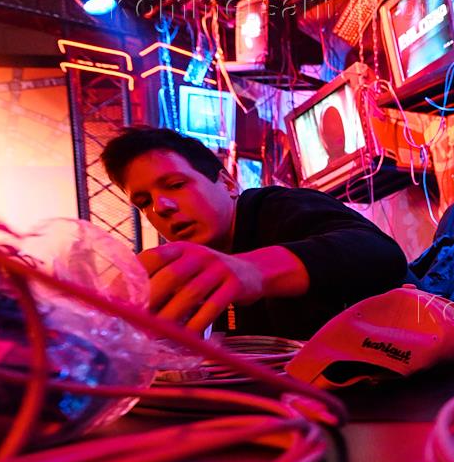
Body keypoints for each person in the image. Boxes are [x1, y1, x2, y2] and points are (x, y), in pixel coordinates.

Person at [101, 126, 408, 340]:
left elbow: (382, 254)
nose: (161, 206)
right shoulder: (207, 265)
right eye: (144, 202)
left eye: (175, 185)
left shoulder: (277, 207)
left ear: (228, 184)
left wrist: (252, 270)